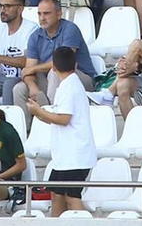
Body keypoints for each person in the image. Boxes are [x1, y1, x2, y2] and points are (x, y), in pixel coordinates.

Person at [25, 45, 97, 215]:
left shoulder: (69, 86)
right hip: (66, 156)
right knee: (56, 193)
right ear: (76, 65)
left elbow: (64, 119)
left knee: (72, 196)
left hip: (75, 156)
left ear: (54, 67)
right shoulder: (69, 84)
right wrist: (39, 112)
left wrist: (39, 111)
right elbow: (58, 118)